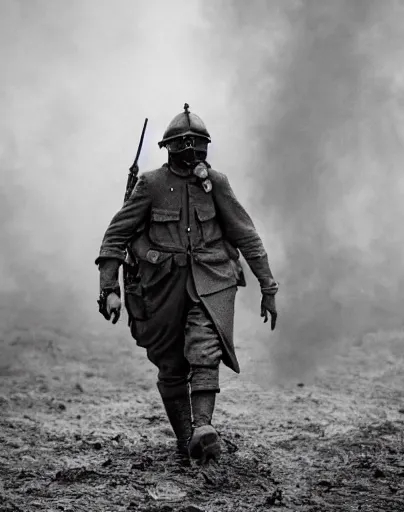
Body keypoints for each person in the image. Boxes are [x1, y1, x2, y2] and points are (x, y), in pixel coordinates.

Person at [95, 104, 279, 463]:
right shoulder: (150, 185)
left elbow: (246, 234)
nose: (192, 149)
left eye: (198, 143)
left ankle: (203, 428)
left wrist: (268, 287)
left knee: (204, 349)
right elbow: (115, 237)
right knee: (171, 365)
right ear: (168, 147)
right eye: (183, 143)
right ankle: (187, 441)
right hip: (161, 288)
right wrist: (110, 289)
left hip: (212, 281)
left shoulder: (217, 183)